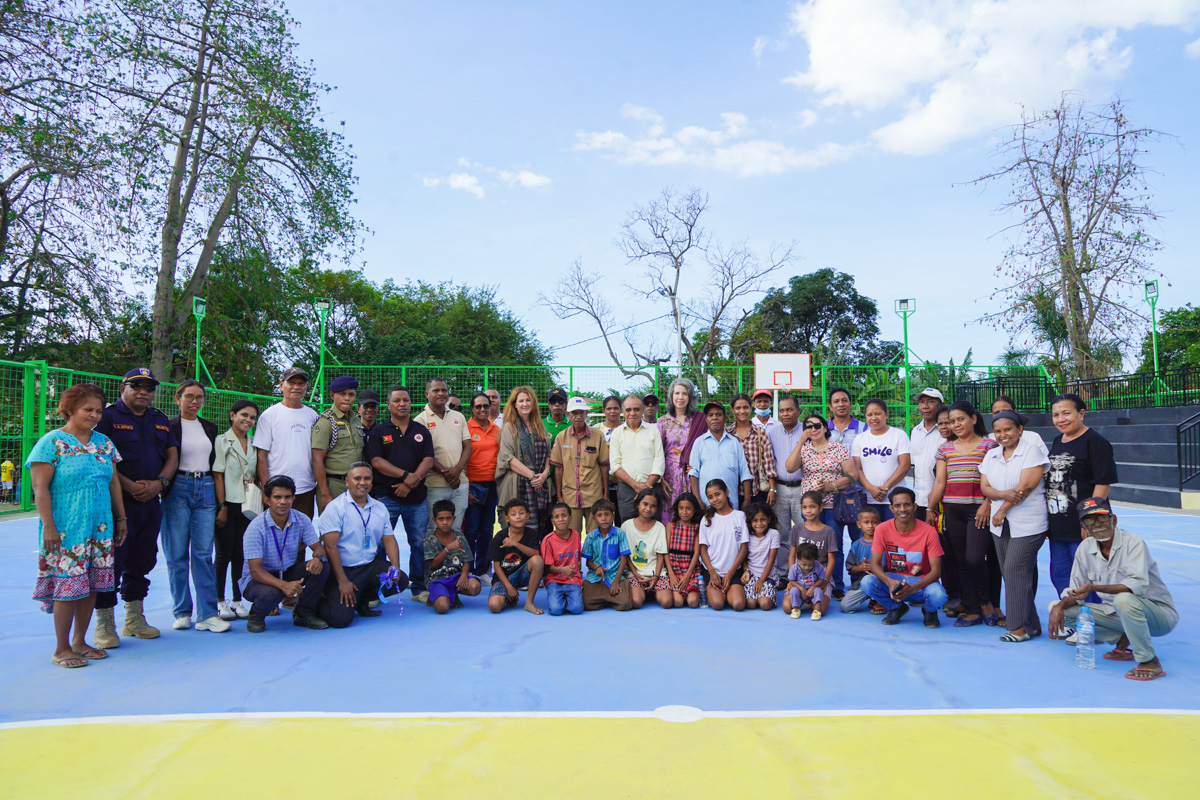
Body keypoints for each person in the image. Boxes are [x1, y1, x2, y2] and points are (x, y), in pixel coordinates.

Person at [27, 384, 127, 668]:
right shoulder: (52, 442)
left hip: (100, 527)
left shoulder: (105, 443)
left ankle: (80, 642)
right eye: (88, 410)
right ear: (69, 409)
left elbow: (114, 483)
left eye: (98, 410)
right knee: (67, 587)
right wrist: (49, 527)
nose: (94, 415)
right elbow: (40, 487)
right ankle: (61, 649)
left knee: (92, 584)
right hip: (66, 530)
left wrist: (121, 519)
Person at [94, 367, 179, 648]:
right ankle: (105, 623)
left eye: (149, 387)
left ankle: (134, 619)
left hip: (151, 503)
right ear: (123, 388)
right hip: (117, 506)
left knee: (143, 559)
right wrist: (129, 486)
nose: (144, 391)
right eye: (137, 386)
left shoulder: (159, 419)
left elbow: (171, 454)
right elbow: (101, 458)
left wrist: (161, 483)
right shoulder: (107, 417)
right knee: (112, 562)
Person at [1049, 497, 1177, 681]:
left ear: (1114, 520)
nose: (1097, 524)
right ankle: (1123, 640)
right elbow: (1076, 591)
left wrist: (1093, 587)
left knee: (1123, 599)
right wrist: (1059, 606)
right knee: (1060, 608)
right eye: (1090, 520)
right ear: (1084, 527)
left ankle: (1150, 660)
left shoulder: (1133, 542)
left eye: (1102, 518)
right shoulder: (1085, 548)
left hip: (1158, 614)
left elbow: (1134, 587)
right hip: (1120, 613)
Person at [163, 380, 229, 633]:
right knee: (177, 554)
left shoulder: (209, 428)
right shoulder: (168, 427)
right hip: (177, 488)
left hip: (205, 489)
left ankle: (207, 614)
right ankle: (181, 611)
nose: (195, 402)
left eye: (199, 397)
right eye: (189, 396)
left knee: (203, 554)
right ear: (177, 398)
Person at [928, 400, 1000, 627]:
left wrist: (987, 503)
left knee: (975, 558)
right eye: (952, 421)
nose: (956, 424)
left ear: (974, 419)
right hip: (953, 510)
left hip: (979, 510)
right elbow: (940, 482)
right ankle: (972, 610)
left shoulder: (990, 445)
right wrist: (931, 508)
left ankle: (986, 601)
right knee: (961, 561)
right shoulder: (945, 449)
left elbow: (996, 479)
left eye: (960, 419)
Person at [981, 409, 1050, 642]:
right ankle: (1032, 625)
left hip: (1028, 522)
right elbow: (985, 488)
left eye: (1008, 429)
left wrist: (1001, 508)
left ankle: (1018, 627)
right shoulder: (991, 455)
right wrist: (1000, 495)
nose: (1003, 435)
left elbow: (1026, 487)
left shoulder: (1032, 451)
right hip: (1000, 525)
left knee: (1014, 571)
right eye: (998, 431)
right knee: (1012, 574)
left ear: (1020, 430)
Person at [364, 385, 435, 603]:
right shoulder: (378, 431)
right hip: (386, 498)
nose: (402, 404)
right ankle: (377, 590)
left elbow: (428, 460)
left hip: (417, 498)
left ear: (410, 402)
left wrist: (411, 483)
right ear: (388, 405)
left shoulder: (421, 430)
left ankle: (418, 588)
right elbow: (376, 461)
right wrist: (405, 475)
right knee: (379, 545)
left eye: (405, 400)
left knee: (419, 543)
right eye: (396, 401)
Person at [1044, 393, 1118, 602]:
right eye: (1056, 415)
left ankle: (1094, 624)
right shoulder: (1059, 440)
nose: (1061, 419)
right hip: (1058, 524)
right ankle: (1071, 619)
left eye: (1066, 413)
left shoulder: (1095, 442)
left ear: (1081, 413)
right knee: (1061, 575)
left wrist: (1090, 521)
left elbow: (1102, 483)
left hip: (1084, 526)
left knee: (1087, 577)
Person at [316, 462, 409, 627]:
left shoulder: (380, 508)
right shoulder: (335, 508)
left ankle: (360, 601)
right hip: (342, 569)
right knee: (340, 620)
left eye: (367, 478)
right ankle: (316, 600)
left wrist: (395, 566)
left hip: (368, 566)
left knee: (399, 581)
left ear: (372, 482)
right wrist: (342, 581)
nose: (362, 482)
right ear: (347, 481)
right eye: (357, 478)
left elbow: (389, 539)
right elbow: (330, 547)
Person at [240, 475, 331, 632]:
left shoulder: (301, 519)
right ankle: (256, 615)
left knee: (322, 566)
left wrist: (317, 558)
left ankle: (303, 614)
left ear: (293, 498)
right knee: (273, 593)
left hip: (285, 571)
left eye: (287, 497)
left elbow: (318, 548)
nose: (283, 501)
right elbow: (255, 570)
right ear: (267, 500)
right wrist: (284, 585)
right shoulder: (256, 528)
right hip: (257, 578)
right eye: (277, 497)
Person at [786, 412, 855, 596]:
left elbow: (852, 475)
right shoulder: (804, 449)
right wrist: (801, 442)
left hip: (833, 504)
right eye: (808, 426)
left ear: (825, 427)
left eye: (816, 425)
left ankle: (837, 585)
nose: (813, 429)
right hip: (810, 506)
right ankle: (807, 583)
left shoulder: (838, 448)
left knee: (835, 546)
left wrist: (833, 485)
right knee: (809, 546)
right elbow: (790, 467)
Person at [860, 488, 947, 627]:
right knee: (867, 582)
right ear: (891, 508)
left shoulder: (929, 532)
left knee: (938, 595)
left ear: (915, 506)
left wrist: (912, 589)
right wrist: (889, 582)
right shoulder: (882, 529)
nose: (902, 509)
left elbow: (936, 571)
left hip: (921, 582)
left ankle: (929, 611)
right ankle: (897, 609)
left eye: (907, 504)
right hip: (895, 580)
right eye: (897, 505)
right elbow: (874, 564)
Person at [213, 399, 258, 621]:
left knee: (241, 554)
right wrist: (221, 506)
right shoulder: (222, 441)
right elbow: (218, 474)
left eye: (252, 417)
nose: (248, 420)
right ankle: (220, 601)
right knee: (223, 555)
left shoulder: (253, 444)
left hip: (247, 506)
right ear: (232, 416)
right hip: (228, 504)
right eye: (244, 415)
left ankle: (238, 600)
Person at [255, 367, 320, 517]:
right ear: (281, 384)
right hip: (278, 490)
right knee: (276, 535)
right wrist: (267, 488)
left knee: (303, 536)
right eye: (292, 382)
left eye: (301, 383)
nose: (296, 387)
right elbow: (261, 455)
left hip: (306, 488)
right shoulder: (269, 415)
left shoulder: (313, 415)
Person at [415, 377, 472, 542]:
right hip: (435, 485)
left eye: (444, 390)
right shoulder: (420, 421)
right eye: (436, 390)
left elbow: (467, 446)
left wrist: (457, 471)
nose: (441, 393)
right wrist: (446, 473)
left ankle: (453, 566)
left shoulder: (458, 417)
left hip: (460, 483)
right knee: (435, 529)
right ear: (427, 394)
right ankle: (435, 567)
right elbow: (424, 455)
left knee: (455, 529)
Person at [495, 386, 552, 535]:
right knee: (515, 529)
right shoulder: (509, 427)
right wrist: (533, 477)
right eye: (521, 401)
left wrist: (544, 474)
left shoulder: (541, 427)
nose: (525, 404)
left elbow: (548, 454)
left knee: (540, 529)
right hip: (517, 485)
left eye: (528, 400)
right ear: (514, 404)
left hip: (540, 486)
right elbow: (509, 459)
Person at [550, 396, 610, 536]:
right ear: (568, 415)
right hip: (570, 496)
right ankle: (573, 559)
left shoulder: (598, 436)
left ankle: (593, 559)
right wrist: (559, 495)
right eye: (574, 413)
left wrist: (605, 493)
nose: (578, 416)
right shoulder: (561, 437)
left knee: (595, 535)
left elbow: (603, 466)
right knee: (570, 535)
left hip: (594, 495)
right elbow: (558, 468)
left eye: (581, 413)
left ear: (586, 414)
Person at [767, 396, 807, 580]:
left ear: (798, 411)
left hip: (803, 489)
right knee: (782, 533)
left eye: (789, 410)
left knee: (805, 533)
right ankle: (784, 574)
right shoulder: (772, 433)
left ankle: (806, 573)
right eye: (782, 410)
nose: (785, 414)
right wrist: (772, 489)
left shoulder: (808, 432)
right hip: (781, 490)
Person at [851, 398, 911, 522]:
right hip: (868, 498)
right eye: (869, 415)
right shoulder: (860, 439)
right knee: (872, 534)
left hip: (894, 497)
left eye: (877, 414)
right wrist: (870, 488)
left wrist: (885, 487)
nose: (874, 418)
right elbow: (857, 468)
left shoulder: (899, 435)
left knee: (894, 533)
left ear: (886, 414)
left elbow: (905, 465)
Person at [312, 375, 364, 512]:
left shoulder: (356, 420)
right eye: (342, 394)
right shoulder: (325, 422)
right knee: (332, 531)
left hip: (356, 485)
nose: (347, 398)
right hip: (334, 485)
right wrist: (324, 492)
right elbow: (317, 460)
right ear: (332, 395)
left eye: (351, 394)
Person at [609, 393, 665, 522]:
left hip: (651, 487)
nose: (632, 413)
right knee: (627, 527)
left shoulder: (653, 430)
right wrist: (635, 485)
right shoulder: (617, 433)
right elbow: (615, 465)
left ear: (643, 410)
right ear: (623, 411)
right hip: (627, 489)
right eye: (628, 410)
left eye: (636, 409)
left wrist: (646, 487)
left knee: (653, 526)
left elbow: (659, 461)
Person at [464, 392, 502, 579]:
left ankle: (483, 569)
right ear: (472, 409)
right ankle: (468, 569)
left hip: (492, 485)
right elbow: (461, 457)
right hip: (472, 484)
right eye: (478, 406)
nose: (482, 409)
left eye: (485, 406)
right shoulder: (466, 428)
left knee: (487, 529)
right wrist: (465, 487)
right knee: (471, 529)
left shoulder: (496, 430)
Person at [688, 402, 752, 510]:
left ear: (725, 418)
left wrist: (747, 499)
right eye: (710, 415)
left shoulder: (734, 443)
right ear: (706, 419)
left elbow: (745, 473)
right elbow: (693, 473)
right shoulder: (699, 442)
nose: (715, 418)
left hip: (731, 503)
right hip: (706, 504)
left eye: (718, 414)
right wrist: (698, 500)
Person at [698, 479, 749, 611]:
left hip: (733, 570)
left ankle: (729, 590)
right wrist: (712, 572)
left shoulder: (739, 516)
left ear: (726, 492)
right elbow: (702, 550)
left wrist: (730, 574)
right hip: (713, 570)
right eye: (710, 497)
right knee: (717, 604)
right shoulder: (706, 520)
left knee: (738, 604)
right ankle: (716, 590)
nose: (715, 499)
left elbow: (743, 548)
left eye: (717, 494)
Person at [423, 498, 480, 614]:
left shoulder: (459, 536)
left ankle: (452, 594)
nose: (445, 522)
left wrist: (464, 574)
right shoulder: (429, 538)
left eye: (448, 518)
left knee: (475, 587)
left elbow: (467, 559)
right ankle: (437, 594)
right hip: (437, 579)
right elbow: (433, 563)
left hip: (456, 577)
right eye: (441, 519)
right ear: (434, 520)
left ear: (454, 519)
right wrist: (448, 548)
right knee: (442, 608)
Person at [487, 499, 545, 614]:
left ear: (527, 515)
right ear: (507, 518)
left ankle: (529, 602)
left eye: (521, 513)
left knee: (537, 561)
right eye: (513, 514)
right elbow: (497, 566)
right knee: (494, 606)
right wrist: (509, 587)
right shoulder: (500, 537)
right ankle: (508, 597)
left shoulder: (532, 533)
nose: (518, 517)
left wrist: (515, 544)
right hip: (504, 577)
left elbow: (536, 554)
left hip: (522, 574)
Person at [659, 377, 703, 522]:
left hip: (692, 474)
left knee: (691, 510)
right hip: (670, 476)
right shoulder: (662, 422)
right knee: (670, 511)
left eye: (684, 393)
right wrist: (661, 478)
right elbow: (657, 452)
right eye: (677, 393)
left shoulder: (698, 420)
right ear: (671, 396)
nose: (680, 397)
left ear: (690, 397)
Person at [581, 498, 634, 611]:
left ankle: (608, 595)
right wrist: (596, 567)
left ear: (613, 516)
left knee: (625, 604)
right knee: (587, 604)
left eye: (607, 514)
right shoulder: (590, 537)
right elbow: (588, 562)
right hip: (596, 578)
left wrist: (615, 582)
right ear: (594, 518)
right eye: (599, 515)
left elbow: (623, 559)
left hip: (615, 576)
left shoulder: (620, 534)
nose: (604, 518)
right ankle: (607, 597)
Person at [727, 392, 778, 506]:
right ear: (732, 410)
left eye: (745, 407)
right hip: (733, 491)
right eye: (738, 408)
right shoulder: (727, 434)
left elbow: (769, 463)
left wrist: (772, 489)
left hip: (757, 490)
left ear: (751, 408)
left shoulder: (760, 433)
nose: (742, 411)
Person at [621, 487, 668, 609]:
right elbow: (625, 556)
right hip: (636, 574)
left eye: (653, 506)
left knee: (666, 602)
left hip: (656, 574)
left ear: (656, 508)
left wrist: (656, 576)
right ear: (638, 504)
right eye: (645, 504)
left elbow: (660, 555)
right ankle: (643, 592)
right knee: (636, 602)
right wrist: (636, 575)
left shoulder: (659, 527)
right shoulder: (626, 526)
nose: (648, 509)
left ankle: (652, 591)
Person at [656, 492, 702, 608]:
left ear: (694, 510)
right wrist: (671, 574)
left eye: (688, 508)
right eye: (681, 508)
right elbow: (665, 551)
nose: (684, 512)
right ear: (677, 509)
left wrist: (688, 575)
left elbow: (697, 552)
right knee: (678, 602)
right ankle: (679, 593)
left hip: (690, 569)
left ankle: (691, 592)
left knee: (693, 602)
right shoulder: (670, 526)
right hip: (674, 568)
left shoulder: (696, 527)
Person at [910, 388, 947, 522]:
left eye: (931, 402)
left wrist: (938, 497)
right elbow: (915, 466)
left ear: (941, 405)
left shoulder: (947, 431)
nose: (925, 406)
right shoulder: (915, 431)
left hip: (942, 499)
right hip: (919, 499)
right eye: (921, 402)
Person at [541, 502, 584, 616]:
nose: (561, 519)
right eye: (556, 517)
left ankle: (568, 598)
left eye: (564, 515)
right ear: (552, 521)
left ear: (570, 518)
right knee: (556, 610)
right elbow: (547, 568)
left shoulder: (575, 535)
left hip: (572, 579)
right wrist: (562, 570)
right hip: (554, 580)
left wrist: (576, 574)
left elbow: (577, 559)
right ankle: (560, 598)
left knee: (576, 609)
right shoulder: (548, 540)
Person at [839, 506, 883, 614]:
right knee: (845, 606)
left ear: (879, 524)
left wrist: (875, 568)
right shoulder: (856, 545)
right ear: (859, 524)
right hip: (860, 584)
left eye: (874, 522)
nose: (870, 526)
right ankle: (870, 596)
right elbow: (850, 568)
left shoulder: (883, 543)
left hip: (881, 582)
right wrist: (860, 568)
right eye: (866, 522)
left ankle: (879, 599)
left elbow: (889, 568)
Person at [787, 491, 838, 583]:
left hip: (821, 574)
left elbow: (831, 559)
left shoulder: (828, 531)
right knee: (789, 597)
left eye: (812, 506)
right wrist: (792, 579)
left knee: (819, 596)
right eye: (804, 507)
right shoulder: (797, 528)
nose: (808, 511)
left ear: (821, 507)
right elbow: (792, 555)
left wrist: (825, 580)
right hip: (800, 574)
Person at [741, 502, 781, 611]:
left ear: (769, 519)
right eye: (755, 520)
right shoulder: (748, 535)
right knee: (751, 604)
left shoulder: (773, 534)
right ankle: (760, 595)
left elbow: (771, 561)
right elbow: (744, 556)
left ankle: (769, 593)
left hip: (768, 576)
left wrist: (761, 581)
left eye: (763, 519)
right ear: (750, 522)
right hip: (753, 575)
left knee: (765, 605)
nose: (759, 523)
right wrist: (746, 571)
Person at [784, 542, 828, 620]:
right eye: (804, 564)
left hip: (812, 591)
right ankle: (796, 608)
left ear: (815, 560)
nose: (807, 567)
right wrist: (801, 588)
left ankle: (816, 611)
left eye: (810, 565)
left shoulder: (818, 566)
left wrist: (813, 587)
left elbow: (821, 579)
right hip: (800, 591)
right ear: (798, 559)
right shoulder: (795, 568)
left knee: (818, 591)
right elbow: (792, 580)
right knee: (794, 590)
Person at [543, 387, 571, 501]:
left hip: (568, 480)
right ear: (549, 404)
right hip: (546, 478)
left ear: (566, 404)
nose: (557, 404)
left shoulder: (572, 426)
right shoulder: (540, 424)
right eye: (553, 402)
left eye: (561, 401)